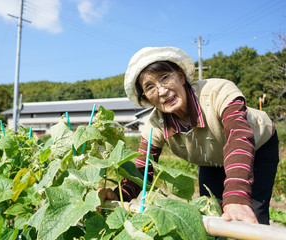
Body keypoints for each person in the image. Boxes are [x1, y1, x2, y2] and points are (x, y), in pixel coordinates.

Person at [99, 46, 279, 225]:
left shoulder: (218, 92)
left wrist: (236, 196)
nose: (162, 91)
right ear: (146, 97)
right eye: (150, 87)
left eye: (165, 77)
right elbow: (142, 169)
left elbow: (238, 137)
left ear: (181, 75)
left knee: (250, 215)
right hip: (210, 160)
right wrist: (118, 194)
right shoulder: (155, 125)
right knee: (211, 217)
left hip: (255, 148)